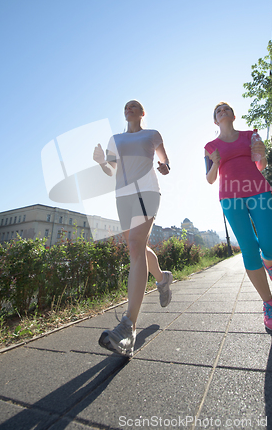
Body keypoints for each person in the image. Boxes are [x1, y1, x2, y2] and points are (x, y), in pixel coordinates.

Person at [93, 100, 172, 357]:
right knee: (136, 247)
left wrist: (165, 167)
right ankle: (162, 278)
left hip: (147, 191)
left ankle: (128, 328)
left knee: (136, 246)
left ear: (142, 113)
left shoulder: (152, 135)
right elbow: (111, 170)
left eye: (134, 105)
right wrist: (101, 163)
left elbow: (165, 160)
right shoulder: (114, 139)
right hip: (123, 196)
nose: (129, 108)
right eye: (126, 106)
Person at [204, 102, 272, 332]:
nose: (222, 111)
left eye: (226, 108)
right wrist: (216, 163)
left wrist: (262, 154)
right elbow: (210, 179)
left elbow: (260, 165)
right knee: (248, 248)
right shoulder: (210, 146)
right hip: (230, 197)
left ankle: (269, 262)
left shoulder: (251, 135)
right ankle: (269, 305)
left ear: (233, 115)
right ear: (215, 120)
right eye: (217, 110)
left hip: (258, 190)